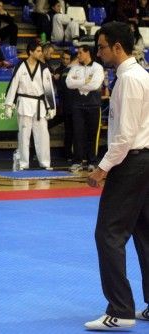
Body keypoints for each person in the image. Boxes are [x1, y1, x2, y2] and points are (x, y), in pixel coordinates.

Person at [84, 21, 149, 331]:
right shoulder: (140, 76)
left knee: (108, 234)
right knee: (144, 233)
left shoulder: (130, 81)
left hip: (132, 162)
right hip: (143, 162)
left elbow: (124, 137)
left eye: (102, 47)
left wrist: (102, 168)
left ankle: (121, 310)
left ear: (118, 48)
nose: (99, 52)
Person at [4, 41, 56, 170]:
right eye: (38, 51)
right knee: (23, 135)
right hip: (24, 103)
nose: (40, 53)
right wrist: (9, 105)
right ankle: (23, 163)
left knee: (43, 135)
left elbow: (48, 89)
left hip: (40, 105)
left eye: (40, 51)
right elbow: (13, 86)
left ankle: (45, 163)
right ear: (31, 52)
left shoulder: (44, 68)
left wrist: (51, 107)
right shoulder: (20, 67)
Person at [66, 45, 104, 172]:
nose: (78, 55)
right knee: (77, 133)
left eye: (80, 53)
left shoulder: (98, 67)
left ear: (88, 53)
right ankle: (77, 161)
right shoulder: (74, 68)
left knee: (92, 134)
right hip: (77, 105)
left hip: (93, 105)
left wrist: (78, 83)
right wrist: (85, 81)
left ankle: (92, 161)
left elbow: (95, 85)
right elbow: (68, 83)